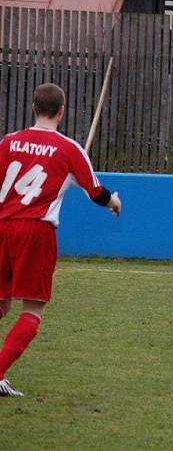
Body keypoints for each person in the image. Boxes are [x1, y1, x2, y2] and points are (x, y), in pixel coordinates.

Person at [0, 83, 122, 397]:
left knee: (1, 302)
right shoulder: (68, 149)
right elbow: (97, 194)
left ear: (33, 107)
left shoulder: (8, 142)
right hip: (35, 231)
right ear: (62, 111)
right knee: (32, 310)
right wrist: (116, 203)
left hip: (2, 225)